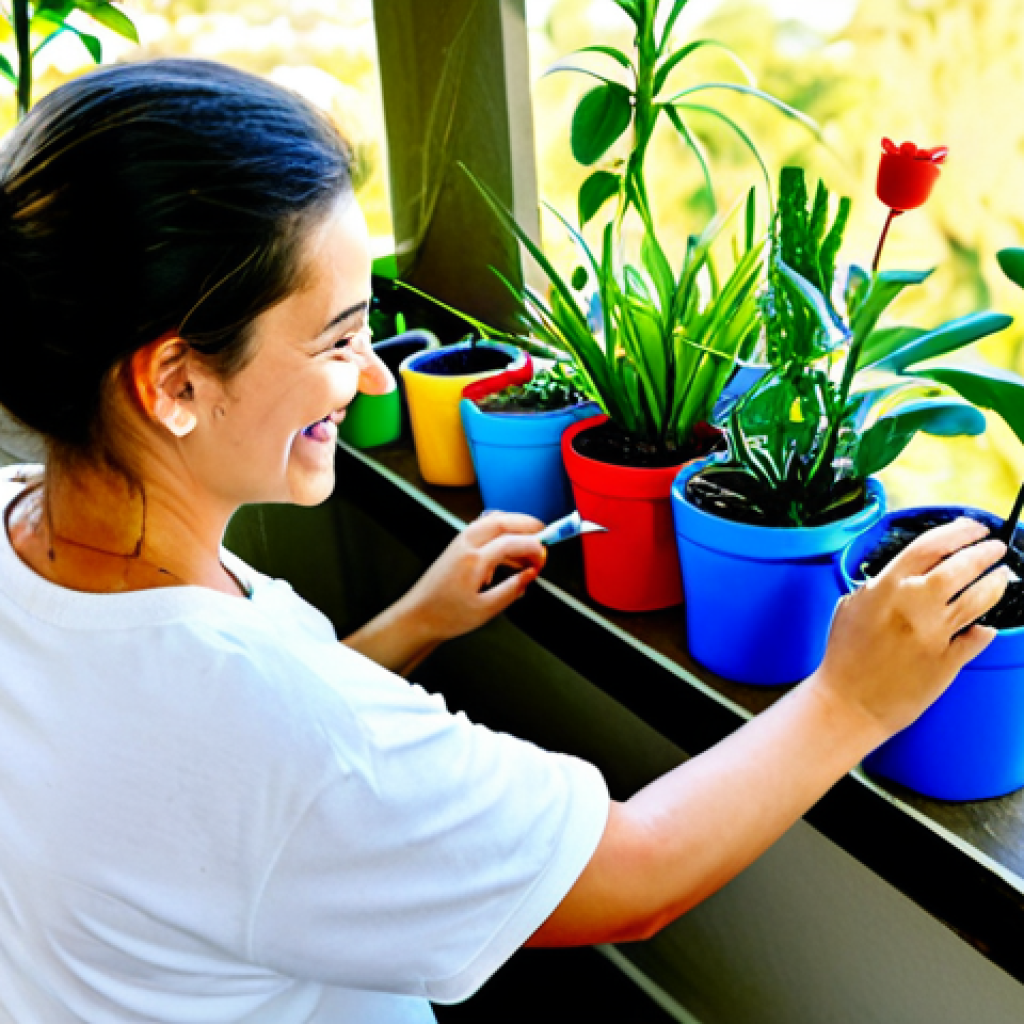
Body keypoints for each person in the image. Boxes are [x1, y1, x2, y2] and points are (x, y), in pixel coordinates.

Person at [0, 58, 1011, 1024]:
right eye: (340, 339)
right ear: (175, 381)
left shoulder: (23, 526)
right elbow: (634, 872)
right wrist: (849, 698)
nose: (376, 376)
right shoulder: (270, 728)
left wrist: (414, 621)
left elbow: (213, 796)